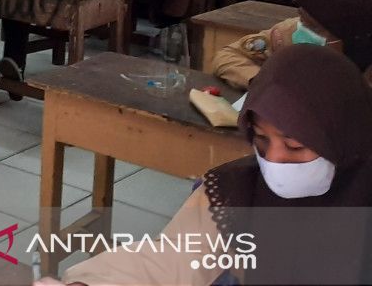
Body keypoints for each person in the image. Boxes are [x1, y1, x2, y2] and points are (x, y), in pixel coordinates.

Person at [41, 45, 372, 286]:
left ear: (343, 139)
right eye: (260, 140)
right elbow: (167, 261)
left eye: (296, 146)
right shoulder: (237, 191)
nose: (275, 161)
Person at [212, 0, 372, 89]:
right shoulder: (288, 32)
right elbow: (228, 55)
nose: (302, 29)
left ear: (351, 41)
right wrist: (265, 82)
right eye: (302, 19)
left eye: (315, 28)